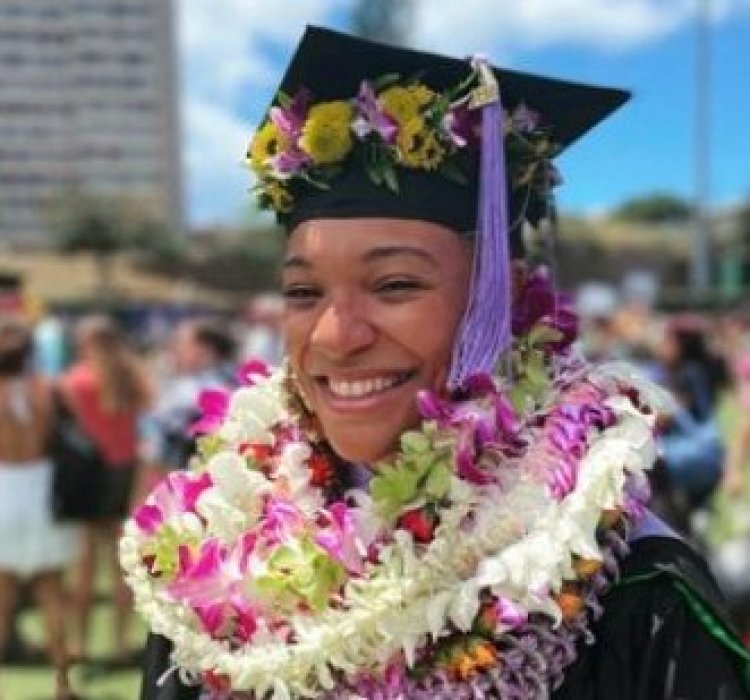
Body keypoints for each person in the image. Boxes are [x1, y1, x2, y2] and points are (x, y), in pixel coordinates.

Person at [126, 26, 750, 699]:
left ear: (501, 297)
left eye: (395, 285)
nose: (336, 336)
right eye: (304, 292)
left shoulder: (619, 589)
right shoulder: (220, 563)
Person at [60, 314, 153, 663]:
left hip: (90, 472)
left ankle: (78, 644)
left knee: (83, 564)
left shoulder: (76, 381)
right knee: (121, 564)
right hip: (124, 471)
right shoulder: (133, 376)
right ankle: (120, 642)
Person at [0, 318, 79, 699]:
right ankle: (61, 683)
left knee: (3, 596)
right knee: (51, 592)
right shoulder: (48, 389)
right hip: (44, 490)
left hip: (6, 488)